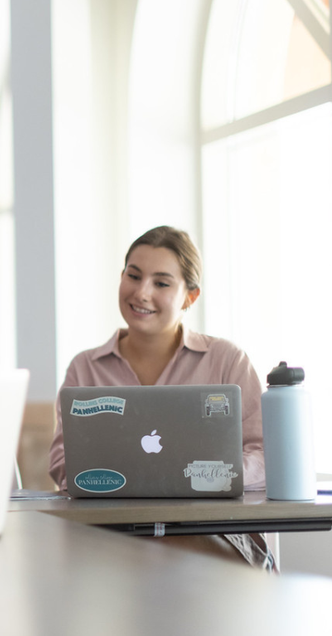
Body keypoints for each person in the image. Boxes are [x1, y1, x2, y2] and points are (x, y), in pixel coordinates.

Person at [48, 225, 273, 569]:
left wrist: (196, 477)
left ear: (189, 297)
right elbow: (63, 463)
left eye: (162, 283)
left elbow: (263, 455)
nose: (142, 293)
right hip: (112, 533)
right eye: (133, 276)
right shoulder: (85, 368)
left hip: (214, 531)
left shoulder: (227, 360)